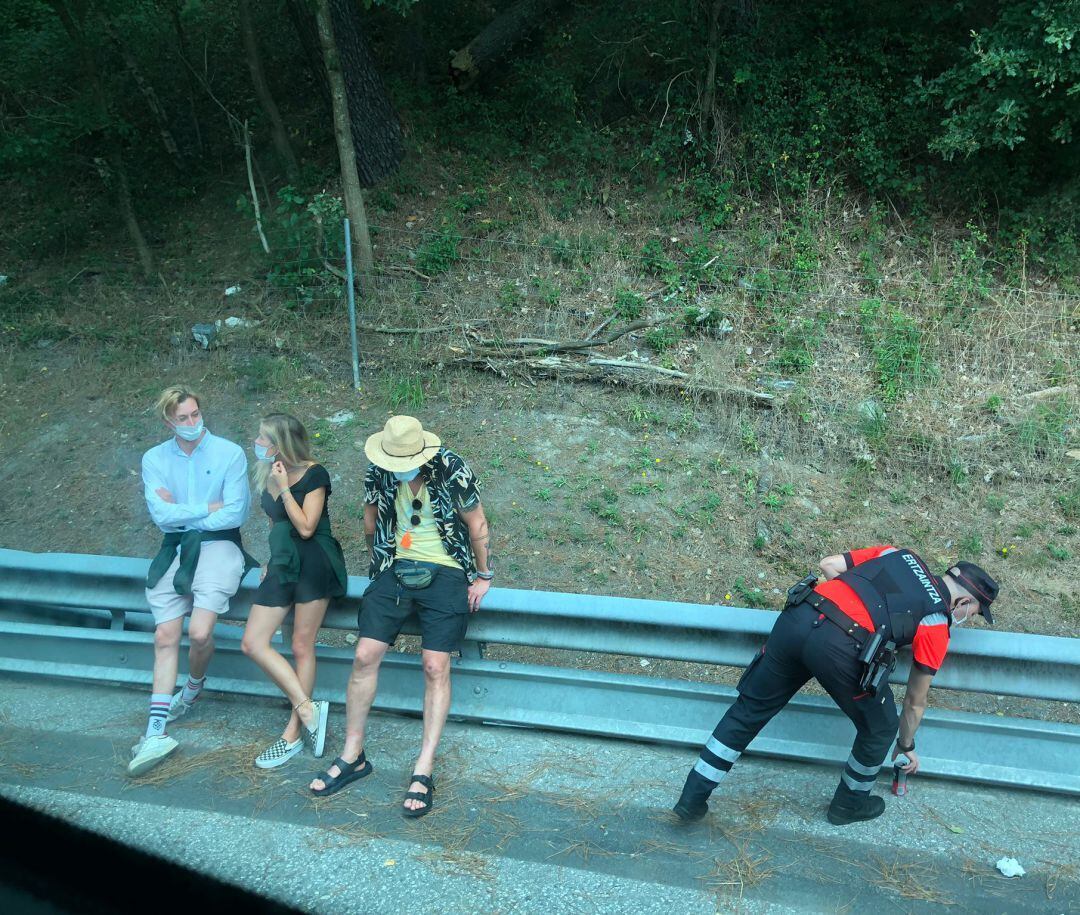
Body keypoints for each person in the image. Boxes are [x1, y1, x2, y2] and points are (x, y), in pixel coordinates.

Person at [673, 546, 999, 825]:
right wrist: (906, 745)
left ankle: (692, 798)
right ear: (964, 603)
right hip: (840, 648)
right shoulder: (936, 622)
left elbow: (829, 564)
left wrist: (844, 614)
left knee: (750, 709)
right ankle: (848, 805)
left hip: (800, 615)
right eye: (974, 611)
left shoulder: (900, 553)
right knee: (881, 727)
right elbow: (915, 700)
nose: (969, 616)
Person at [310, 415, 493, 817]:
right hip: (396, 565)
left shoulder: (451, 467)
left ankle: (424, 766)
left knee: (434, 666)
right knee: (363, 657)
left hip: (446, 570)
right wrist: (379, 565)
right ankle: (353, 754)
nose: (397, 467)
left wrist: (483, 576)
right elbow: (370, 519)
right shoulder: (379, 468)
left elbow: (477, 523)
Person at [133, 386, 254, 777]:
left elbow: (234, 515)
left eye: (195, 415)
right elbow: (159, 516)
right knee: (165, 636)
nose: (191, 423)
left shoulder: (229, 453)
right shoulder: (154, 459)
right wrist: (207, 507)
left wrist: (183, 512)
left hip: (219, 547)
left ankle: (194, 684)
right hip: (174, 550)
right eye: (182, 418)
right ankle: (155, 731)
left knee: (200, 633)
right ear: (168, 421)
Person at [239, 413, 347, 768]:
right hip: (283, 564)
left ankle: (292, 734)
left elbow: (305, 527)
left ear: (282, 444)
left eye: (265, 440)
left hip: (315, 561)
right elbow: (276, 523)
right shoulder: (264, 472)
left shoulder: (315, 473)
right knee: (253, 642)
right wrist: (271, 557)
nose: (259, 444)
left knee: (301, 644)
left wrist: (284, 487)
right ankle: (308, 708)